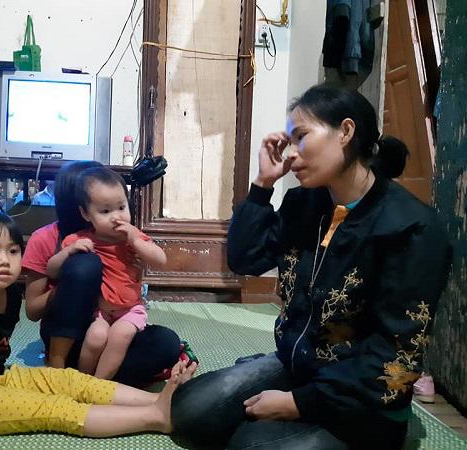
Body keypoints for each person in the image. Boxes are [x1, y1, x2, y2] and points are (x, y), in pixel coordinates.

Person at [171, 85, 452, 450]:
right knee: (190, 412)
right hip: (299, 365)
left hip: (364, 397)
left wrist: (297, 403)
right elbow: (245, 259)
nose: (291, 153)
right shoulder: (303, 203)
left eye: (301, 137)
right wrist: (262, 185)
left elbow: (397, 354)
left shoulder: (412, 228)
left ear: (345, 131)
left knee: (249, 445)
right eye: (289, 141)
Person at [0, 211, 197, 443]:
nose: (4, 260)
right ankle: (155, 417)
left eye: (13, 251)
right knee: (56, 409)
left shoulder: (9, 295)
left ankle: (165, 400)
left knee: (71, 381)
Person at [22, 161, 182, 384]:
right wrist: (72, 284)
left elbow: (156, 260)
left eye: (120, 207)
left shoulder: (127, 237)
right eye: (104, 209)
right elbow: (32, 310)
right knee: (85, 266)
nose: (115, 217)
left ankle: (93, 381)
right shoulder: (56, 239)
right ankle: (59, 366)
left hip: (117, 323)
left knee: (166, 343)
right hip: (69, 332)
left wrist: (136, 251)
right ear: (81, 208)